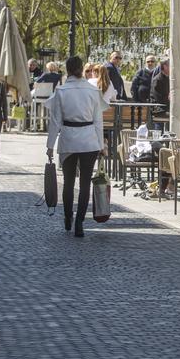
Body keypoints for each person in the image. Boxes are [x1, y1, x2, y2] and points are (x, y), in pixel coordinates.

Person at [46, 56, 105, 238]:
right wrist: (101, 145)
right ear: (81, 69)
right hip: (89, 139)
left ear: (68, 70)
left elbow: (55, 122)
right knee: (85, 182)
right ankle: (80, 221)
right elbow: (98, 121)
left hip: (69, 138)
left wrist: (49, 145)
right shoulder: (92, 91)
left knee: (69, 183)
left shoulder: (62, 91)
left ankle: (67, 217)